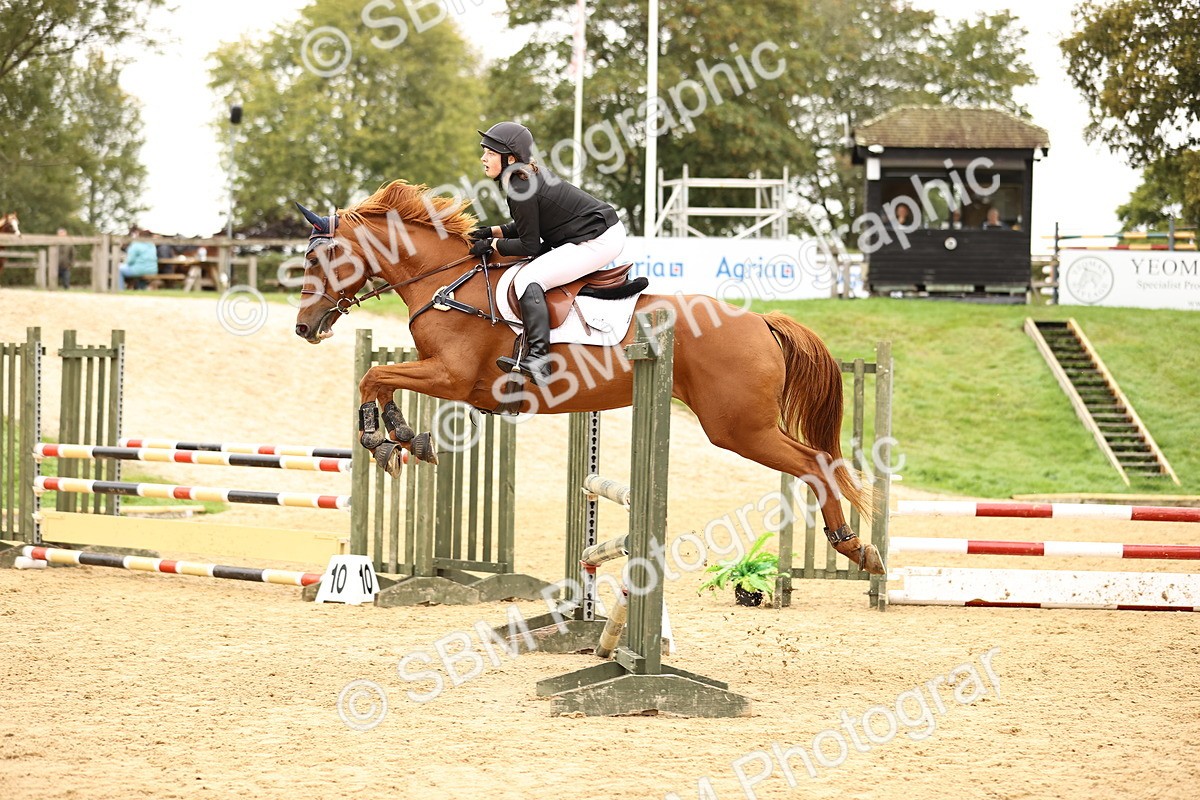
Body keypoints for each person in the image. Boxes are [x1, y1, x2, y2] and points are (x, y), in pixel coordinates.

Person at [469, 121, 625, 384]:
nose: (483, 158)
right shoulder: (523, 177)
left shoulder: (520, 186)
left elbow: (529, 245)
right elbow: (526, 227)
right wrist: (492, 231)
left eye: (490, 153)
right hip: (591, 233)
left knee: (529, 279)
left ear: (509, 158)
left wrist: (492, 246)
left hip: (598, 239)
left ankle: (540, 359)